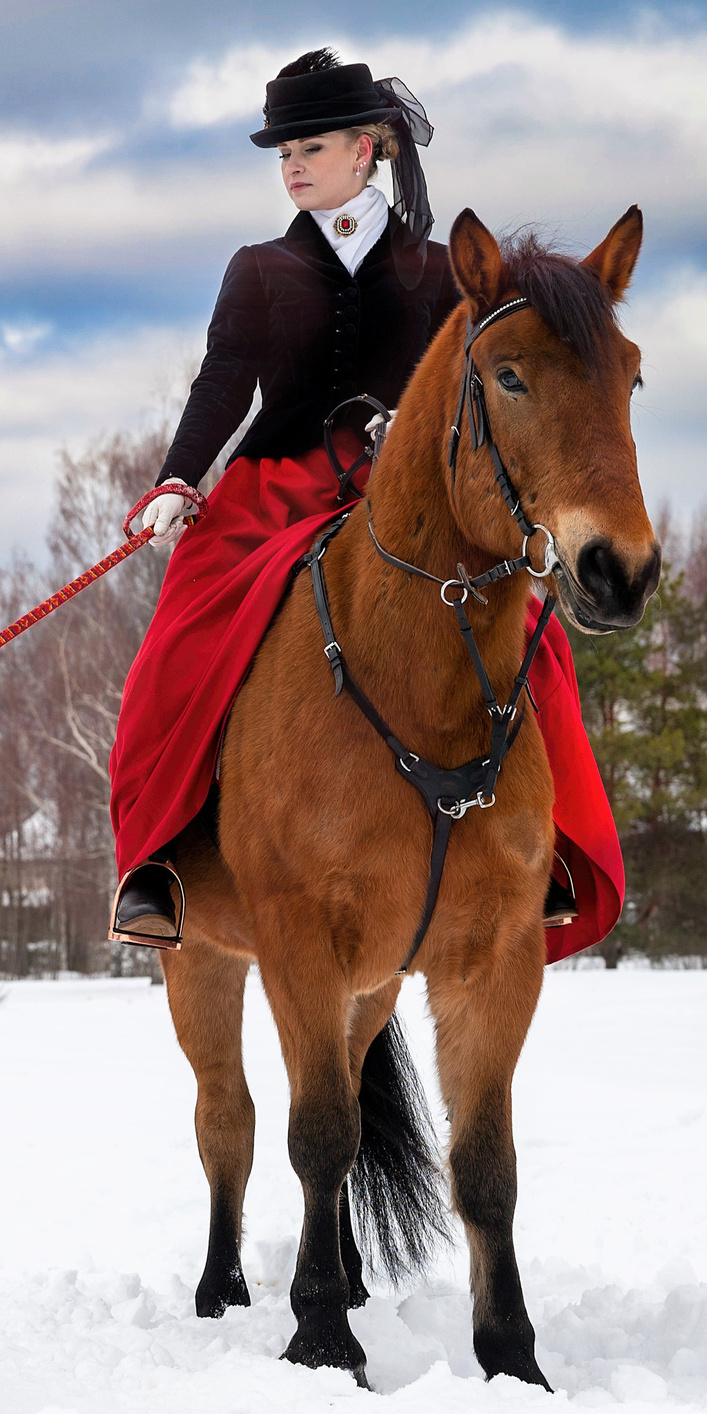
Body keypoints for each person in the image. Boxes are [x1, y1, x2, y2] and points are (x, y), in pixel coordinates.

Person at [106, 48, 608, 950]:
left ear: (367, 149)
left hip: (404, 493)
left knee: (537, 642)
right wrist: (179, 477)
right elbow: (224, 380)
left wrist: (418, 425)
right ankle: (157, 859)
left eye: (311, 147)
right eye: (284, 153)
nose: (293, 166)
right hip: (276, 489)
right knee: (176, 641)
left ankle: (548, 846)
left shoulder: (438, 271)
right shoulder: (258, 268)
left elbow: (469, 387)